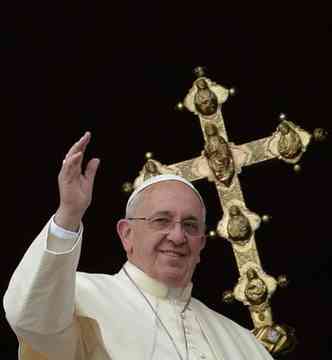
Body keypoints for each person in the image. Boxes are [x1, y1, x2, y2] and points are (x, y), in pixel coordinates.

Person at [4, 132, 273, 359]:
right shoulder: (78, 298)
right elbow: (31, 318)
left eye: (190, 226)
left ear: (201, 243)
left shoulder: (243, 344)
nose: (178, 237)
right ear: (127, 234)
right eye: (161, 220)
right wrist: (69, 215)